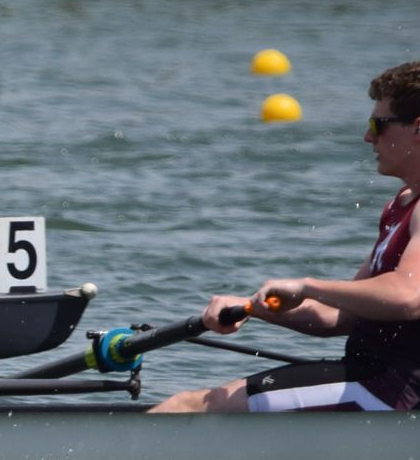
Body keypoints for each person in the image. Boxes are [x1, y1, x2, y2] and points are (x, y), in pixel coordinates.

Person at [151, 61, 420, 414]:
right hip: (373, 379)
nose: (367, 137)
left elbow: (407, 297)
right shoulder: (400, 206)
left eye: (377, 124)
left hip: (394, 390)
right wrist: (254, 307)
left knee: (191, 406)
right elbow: (343, 316)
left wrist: (306, 285)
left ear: (417, 129)